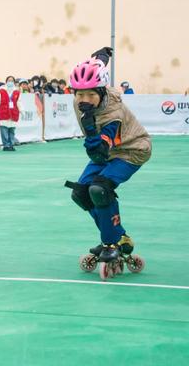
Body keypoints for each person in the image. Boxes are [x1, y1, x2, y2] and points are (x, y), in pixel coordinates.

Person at [65, 47, 151, 270]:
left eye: (91, 95)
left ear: (102, 92)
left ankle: (110, 242)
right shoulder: (88, 93)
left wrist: (91, 129)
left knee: (99, 190)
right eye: (80, 94)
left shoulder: (113, 115)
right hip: (110, 151)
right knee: (80, 193)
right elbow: (98, 64)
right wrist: (102, 55)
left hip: (132, 150)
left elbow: (97, 153)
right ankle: (117, 236)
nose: (84, 100)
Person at [0, 76, 22, 151]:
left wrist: (22, 110)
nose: (10, 82)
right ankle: (6, 145)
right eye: (9, 80)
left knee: (12, 130)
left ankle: (11, 145)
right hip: (3, 112)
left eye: (12, 81)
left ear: (14, 82)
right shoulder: (1, 91)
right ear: (6, 81)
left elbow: (19, 102)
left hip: (13, 113)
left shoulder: (17, 92)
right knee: (4, 130)